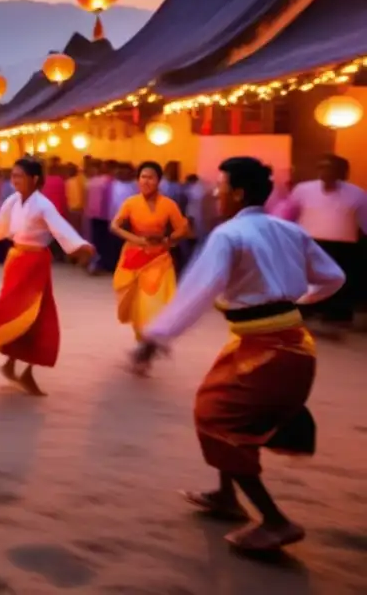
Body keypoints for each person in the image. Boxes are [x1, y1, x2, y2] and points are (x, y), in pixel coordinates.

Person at [130, 157, 345, 554]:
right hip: (288, 342)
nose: (216, 193)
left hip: (268, 350)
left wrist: (153, 339)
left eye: (221, 187)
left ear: (238, 193)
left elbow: (197, 291)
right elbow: (333, 277)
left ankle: (275, 520)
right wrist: (294, 299)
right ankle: (226, 495)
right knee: (217, 407)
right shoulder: (288, 229)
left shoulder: (229, 235)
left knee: (217, 417)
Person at [0, 158, 94, 395]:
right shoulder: (12, 201)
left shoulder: (43, 205)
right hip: (16, 261)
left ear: (34, 179)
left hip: (36, 263)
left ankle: (23, 368)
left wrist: (81, 245)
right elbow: (1, 229)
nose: (15, 180)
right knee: (14, 312)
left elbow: (60, 228)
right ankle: (13, 364)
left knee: (37, 316)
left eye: (20, 176)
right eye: (13, 176)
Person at [288, 154, 367, 333]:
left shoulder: (357, 194)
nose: (326, 171)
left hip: (342, 246)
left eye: (331, 168)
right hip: (310, 242)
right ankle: (303, 313)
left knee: (337, 281)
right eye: (322, 167)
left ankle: (335, 316)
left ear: (343, 173)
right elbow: (290, 213)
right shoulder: (303, 189)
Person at [110, 161, 189, 340]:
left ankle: (153, 336)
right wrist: (136, 240)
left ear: (158, 181)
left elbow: (183, 228)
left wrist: (169, 239)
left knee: (156, 300)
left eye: (151, 178)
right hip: (135, 256)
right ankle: (143, 337)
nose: (146, 181)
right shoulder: (131, 203)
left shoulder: (168, 204)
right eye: (143, 177)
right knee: (139, 303)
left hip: (159, 257)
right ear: (138, 180)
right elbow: (115, 226)